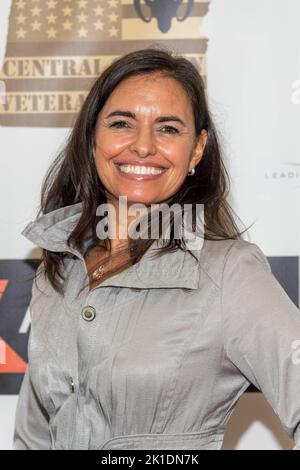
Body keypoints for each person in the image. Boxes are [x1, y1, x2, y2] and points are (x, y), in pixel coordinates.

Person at [14, 47, 300, 450]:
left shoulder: (228, 272)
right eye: (121, 123)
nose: (143, 146)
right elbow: (34, 436)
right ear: (92, 136)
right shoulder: (59, 266)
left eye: (168, 128)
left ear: (196, 150)